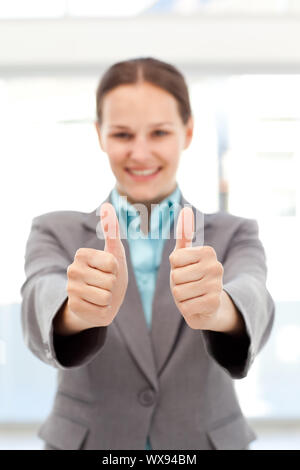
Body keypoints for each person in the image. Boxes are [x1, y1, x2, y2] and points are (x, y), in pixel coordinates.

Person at [20, 57, 275, 450]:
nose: (140, 153)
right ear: (99, 135)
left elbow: (253, 294)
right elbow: (41, 292)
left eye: (159, 132)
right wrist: (76, 311)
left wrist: (220, 308)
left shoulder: (234, 233)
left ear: (187, 132)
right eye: (122, 134)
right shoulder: (55, 230)